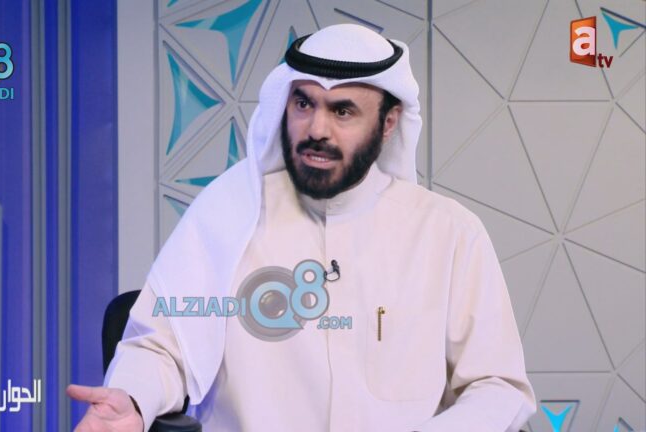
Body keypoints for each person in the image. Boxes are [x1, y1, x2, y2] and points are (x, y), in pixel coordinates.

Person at [67, 23, 536, 431]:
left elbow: (497, 386)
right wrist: (132, 399)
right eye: (304, 104)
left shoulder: (448, 233)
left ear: (388, 123)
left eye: (343, 111)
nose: (316, 129)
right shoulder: (228, 213)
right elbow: (160, 347)